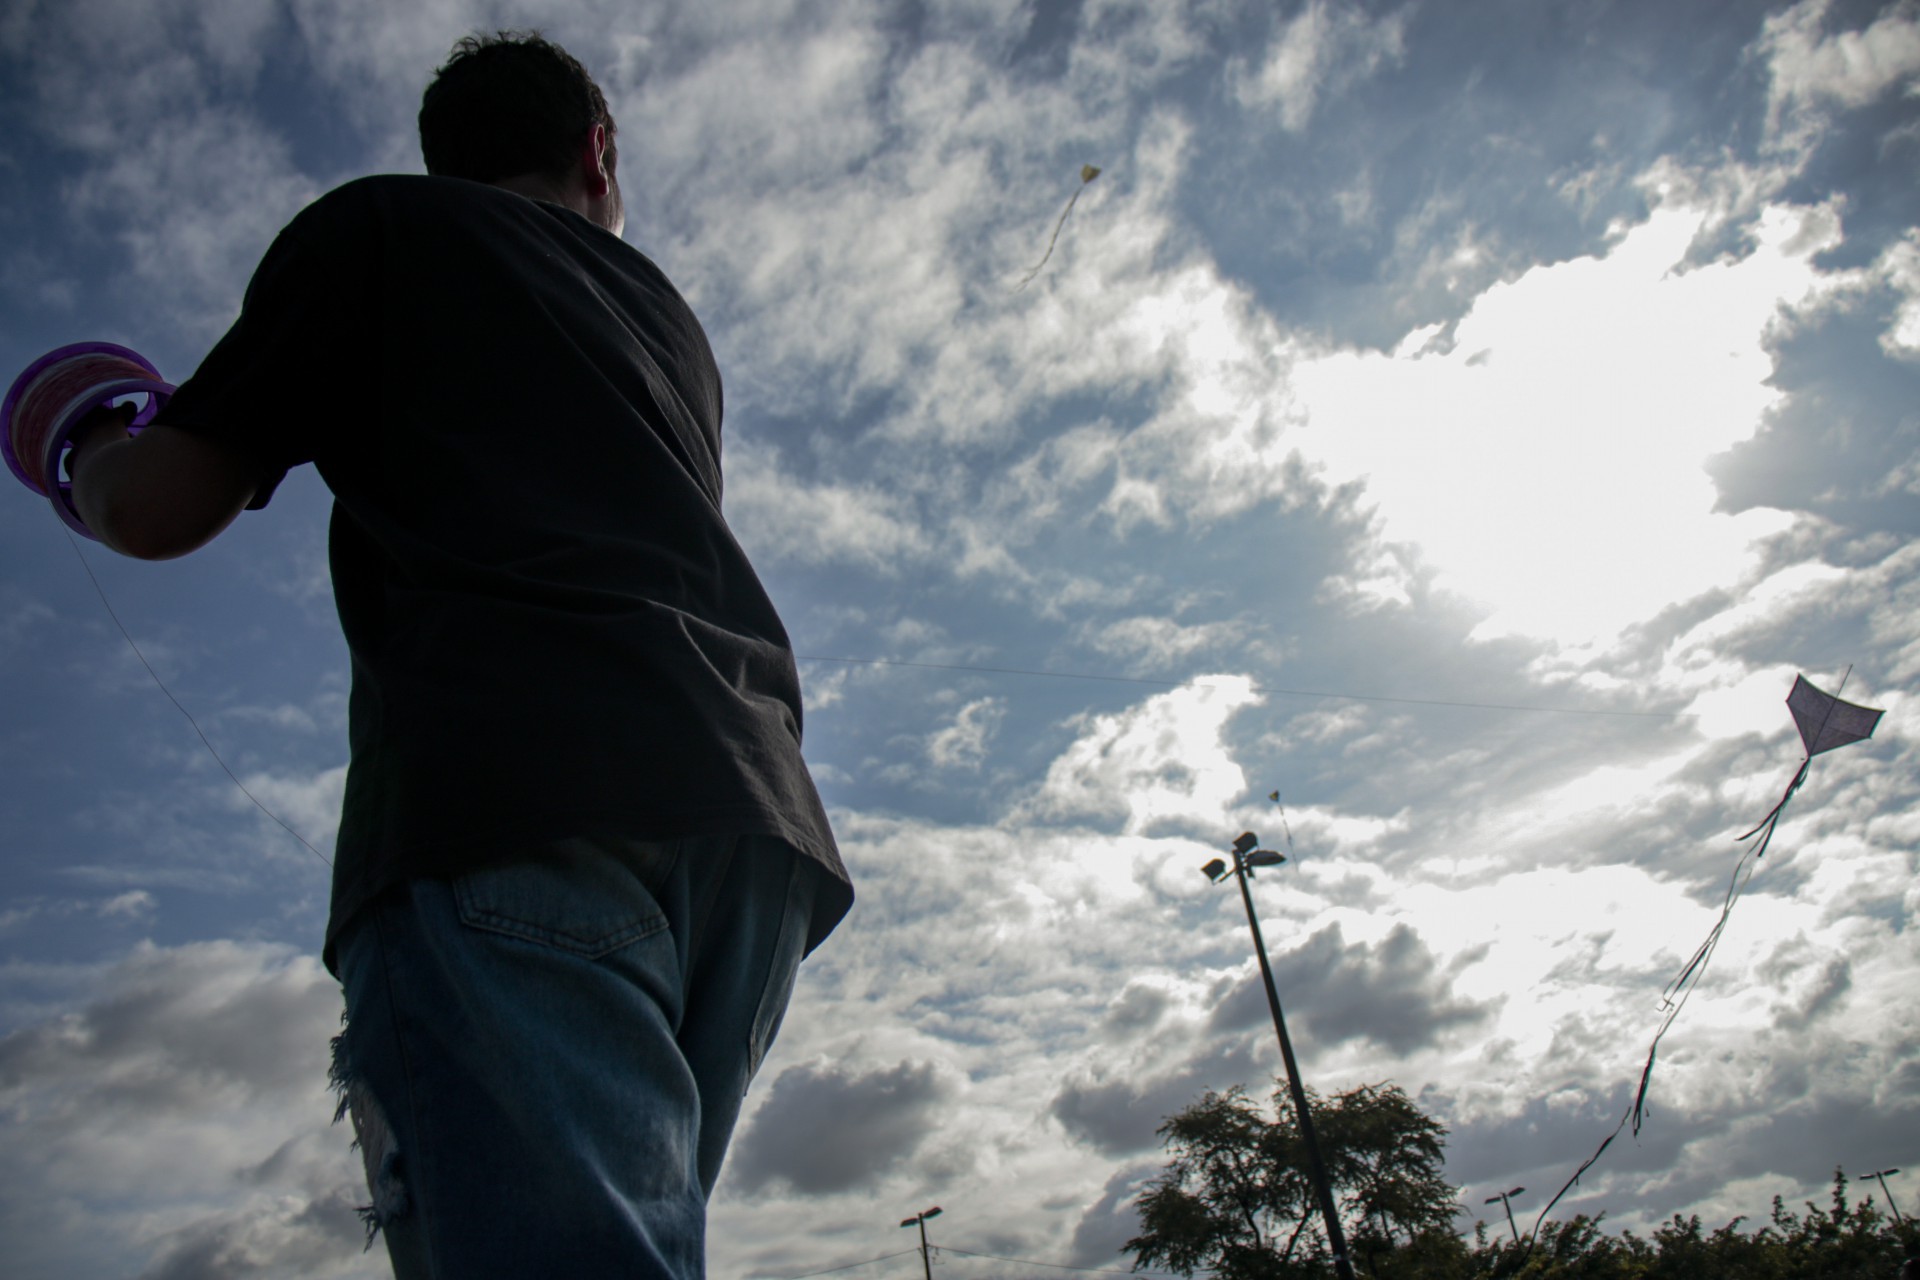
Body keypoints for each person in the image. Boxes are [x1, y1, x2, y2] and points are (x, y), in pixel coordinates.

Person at [64, 30, 850, 1280]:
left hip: (514, 800)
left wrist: (84, 434)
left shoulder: (381, 230)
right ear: (598, 153)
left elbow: (154, 506)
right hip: (749, 825)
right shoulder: (671, 326)